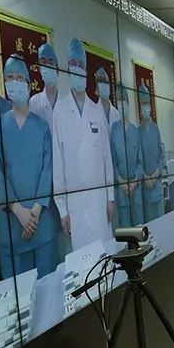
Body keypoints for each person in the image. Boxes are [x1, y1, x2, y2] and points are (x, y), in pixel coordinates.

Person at [0, 55, 59, 279]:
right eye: (10, 78)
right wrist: (18, 210)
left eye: (20, 78)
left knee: (49, 287)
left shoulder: (42, 127)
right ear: (4, 83)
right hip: (12, 225)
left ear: (28, 84)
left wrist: (34, 211)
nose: (15, 82)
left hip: (41, 222)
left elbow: (47, 169)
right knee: (20, 294)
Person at [52, 38, 115, 251]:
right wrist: (62, 209)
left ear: (86, 70)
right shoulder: (60, 111)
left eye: (81, 64)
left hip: (99, 201)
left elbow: (106, 158)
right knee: (83, 259)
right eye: (73, 64)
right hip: (75, 205)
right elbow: (58, 163)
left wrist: (111, 198)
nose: (77, 68)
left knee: (105, 254)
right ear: (67, 68)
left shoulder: (96, 111)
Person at [111, 83, 144, 228]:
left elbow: (140, 162)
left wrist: (135, 181)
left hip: (136, 190)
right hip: (122, 190)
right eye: (119, 100)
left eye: (124, 99)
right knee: (126, 231)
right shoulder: (114, 130)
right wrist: (121, 182)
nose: (122, 103)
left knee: (139, 229)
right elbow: (112, 162)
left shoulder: (135, 131)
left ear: (128, 103)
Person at [138, 85, 165, 222]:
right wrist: (145, 176)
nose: (145, 107)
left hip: (157, 185)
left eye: (147, 103)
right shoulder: (138, 131)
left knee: (161, 223)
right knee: (150, 226)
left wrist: (154, 176)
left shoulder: (156, 129)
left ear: (150, 105)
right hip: (146, 187)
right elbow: (137, 159)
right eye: (142, 104)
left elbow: (162, 156)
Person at [30, 42, 59, 131]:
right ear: (39, 68)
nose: (47, 65)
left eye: (51, 62)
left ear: (57, 68)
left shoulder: (66, 102)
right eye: (43, 62)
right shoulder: (34, 102)